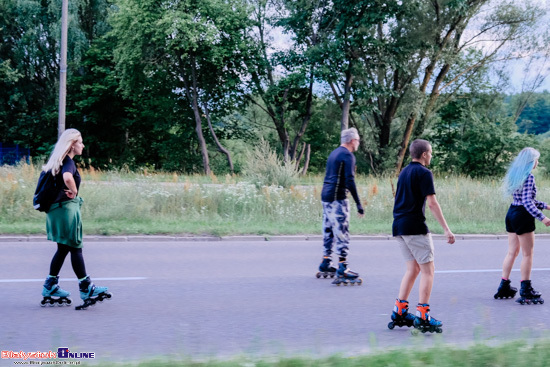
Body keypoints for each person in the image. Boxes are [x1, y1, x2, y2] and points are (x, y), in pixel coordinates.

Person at [40, 128, 111, 310]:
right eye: (80, 142)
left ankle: (50, 286)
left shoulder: (59, 161)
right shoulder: (68, 163)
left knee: (63, 248)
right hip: (66, 210)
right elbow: (67, 177)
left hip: (56, 211)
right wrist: (75, 191)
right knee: (75, 247)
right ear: (72, 145)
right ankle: (86, 288)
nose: (83, 145)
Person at [388, 139, 455, 333]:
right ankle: (423, 315)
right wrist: (446, 229)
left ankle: (399, 311)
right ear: (424, 154)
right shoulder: (424, 173)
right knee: (428, 270)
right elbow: (432, 203)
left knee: (413, 269)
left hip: (399, 226)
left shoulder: (404, 172)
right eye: (431, 153)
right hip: (414, 227)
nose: (431, 156)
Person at [494, 147, 550, 305]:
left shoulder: (515, 175)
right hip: (522, 216)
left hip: (512, 213)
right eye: (536, 160)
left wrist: (545, 206)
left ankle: (503, 285)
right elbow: (527, 202)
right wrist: (543, 218)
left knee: (512, 252)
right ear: (530, 162)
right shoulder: (529, 177)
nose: (537, 162)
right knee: (527, 254)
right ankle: (526, 290)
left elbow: (524, 199)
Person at [318, 127, 364, 286]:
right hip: (338, 197)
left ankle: (325, 262)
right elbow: (350, 180)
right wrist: (359, 203)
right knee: (342, 232)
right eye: (358, 140)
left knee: (329, 230)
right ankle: (342, 267)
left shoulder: (334, 153)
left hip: (326, 196)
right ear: (352, 140)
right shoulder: (347, 155)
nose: (358, 142)